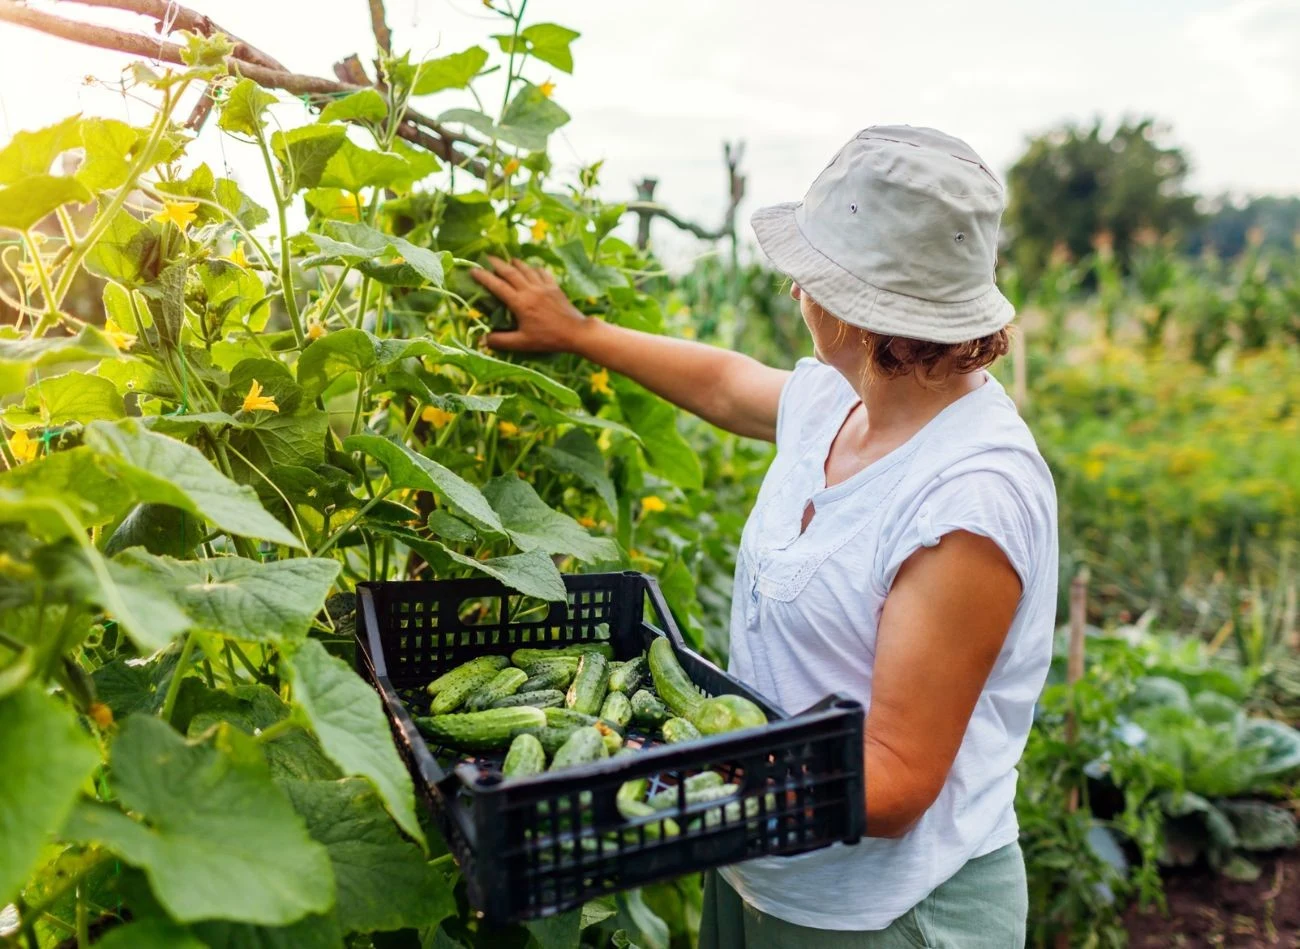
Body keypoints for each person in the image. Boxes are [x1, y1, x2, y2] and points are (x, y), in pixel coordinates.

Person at [471, 125, 1058, 948]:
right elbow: (726, 383)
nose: (795, 292)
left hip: (883, 911)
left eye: (810, 277)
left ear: (861, 310)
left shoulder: (968, 498)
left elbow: (892, 782)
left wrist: (659, 773)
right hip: (764, 863)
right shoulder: (847, 398)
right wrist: (579, 333)